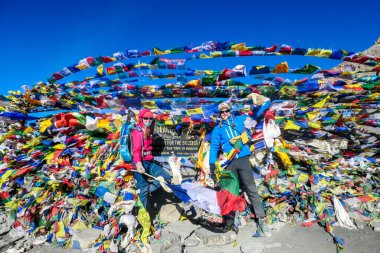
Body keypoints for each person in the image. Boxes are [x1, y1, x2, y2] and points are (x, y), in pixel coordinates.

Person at [209, 102, 272, 237]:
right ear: (219, 114)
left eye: (226, 111)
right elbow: (214, 147)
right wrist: (212, 165)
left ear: (230, 111)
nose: (224, 113)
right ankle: (232, 220)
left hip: (243, 159)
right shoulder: (217, 129)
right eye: (222, 112)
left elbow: (255, 114)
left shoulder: (240, 119)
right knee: (231, 192)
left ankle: (261, 220)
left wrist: (267, 102)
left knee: (251, 189)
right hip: (230, 162)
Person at [131, 108, 171, 209]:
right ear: (141, 118)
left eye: (150, 118)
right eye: (146, 118)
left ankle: (146, 191)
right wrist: (138, 164)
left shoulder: (149, 129)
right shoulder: (138, 132)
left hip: (149, 161)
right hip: (140, 162)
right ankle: (144, 212)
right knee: (143, 187)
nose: (148, 120)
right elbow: (136, 150)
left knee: (165, 177)